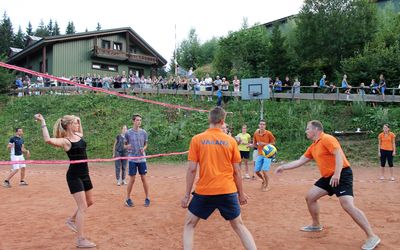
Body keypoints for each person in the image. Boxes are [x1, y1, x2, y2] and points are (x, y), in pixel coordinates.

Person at [275, 120, 380, 250]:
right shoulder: (313, 146)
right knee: (310, 197)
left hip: (341, 174)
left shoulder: (327, 138)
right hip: (327, 177)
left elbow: (339, 155)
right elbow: (301, 160)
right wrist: (283, 167)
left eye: (308, 129)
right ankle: (316, 224)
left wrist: (337, 174)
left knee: (347, 205)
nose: (306, 131)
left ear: (316, 130)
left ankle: (372, 236)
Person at [181, 106, 257, 250]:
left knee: (189, 225)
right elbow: (236, 171)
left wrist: (186, 195)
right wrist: (240, 194)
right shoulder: (231, 141)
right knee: (239, 226)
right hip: (227, 191)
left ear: (209, 119)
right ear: (223, 121)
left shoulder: (197, 139)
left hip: (204, 191)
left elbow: (191, 169)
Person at [35, 114, 96, 248]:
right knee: (82, 207)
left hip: (85, 174)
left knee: (90, 201)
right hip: (74, 176)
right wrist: (43, 121)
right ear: (69, 125)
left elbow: (80, 128)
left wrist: (78, 118)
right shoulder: (65, 141)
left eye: (78, 124)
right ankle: (80, 239)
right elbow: (47, 140)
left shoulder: (79, 135)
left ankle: (71, 220)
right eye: (75, 123)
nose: (78, 125)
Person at [124, 114, 150, 207]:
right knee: (132, 179)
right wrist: (128, 146)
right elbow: (124, 145)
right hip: (132, 159)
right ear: (133, 121)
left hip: (142, 159)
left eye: (140, 120)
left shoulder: (144, 132)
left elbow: (146, 144)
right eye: (137, 120)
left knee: (144, 178)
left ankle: (147, 198)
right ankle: (127, 198)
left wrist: (144, 148)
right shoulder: (128, 133)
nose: (139, 122)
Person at [253, 120, 276, 191]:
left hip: (268, 154)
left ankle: (267, 186)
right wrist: (251, 145)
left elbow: (273, 143)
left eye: (263, 124)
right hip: (260, 154)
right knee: (256, 171)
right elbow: (255, 144)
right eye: (261, 124)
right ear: (258, 125)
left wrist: (264, 144)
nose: (262, 126)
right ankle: (263, 180)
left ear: (265, 126)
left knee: (264, 171)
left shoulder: (268, 133)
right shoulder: (256, 134)